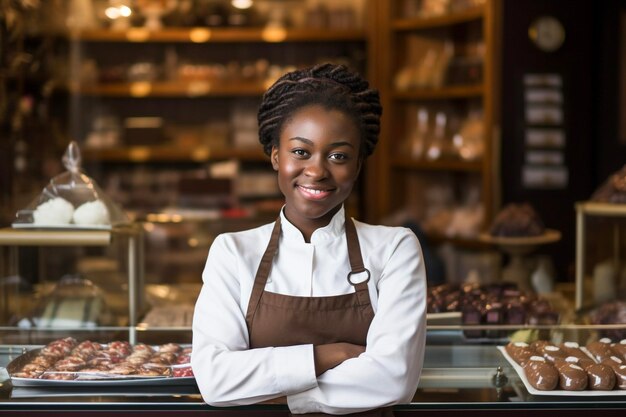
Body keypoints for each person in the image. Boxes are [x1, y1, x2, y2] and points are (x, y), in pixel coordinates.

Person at [191, 63, 426, 416]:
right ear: (275, 155)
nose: (316, 170)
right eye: (300, 151)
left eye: (338, 156)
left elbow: (394, 378)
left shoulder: (394, 249)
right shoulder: (232, 252)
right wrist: (329, 355)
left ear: (358, 165)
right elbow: (214, 379)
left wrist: (278, 395)